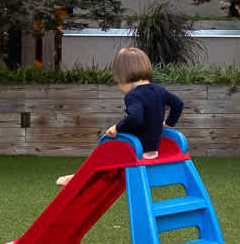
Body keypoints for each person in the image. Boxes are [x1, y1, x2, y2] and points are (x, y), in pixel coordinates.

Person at [57, 47, 184, 186]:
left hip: (136, 149)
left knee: (104, 147)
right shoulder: (159, 90)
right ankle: (82, 176)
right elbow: (178, 104)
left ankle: (77, 178)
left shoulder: (133, 95)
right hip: (153, 151)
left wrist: (117, 128)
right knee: (107, 154)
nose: (119, 87)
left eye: (118, 82)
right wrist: (168, 123)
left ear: (124, 77)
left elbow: (135, 118)